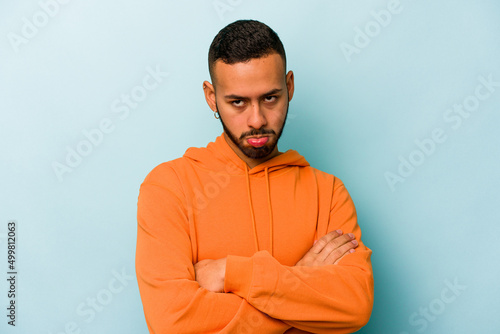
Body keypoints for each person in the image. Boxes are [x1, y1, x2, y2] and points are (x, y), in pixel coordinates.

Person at [135, 19, 374, 333]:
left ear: (289, 86)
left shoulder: (327, 192)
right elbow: (173, 323)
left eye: (270, 98)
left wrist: (233, 274)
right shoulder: (169, 187)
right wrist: (298, 285)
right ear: (211, 97)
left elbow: (354, 304)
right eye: (238, 102)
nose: (257, 120)